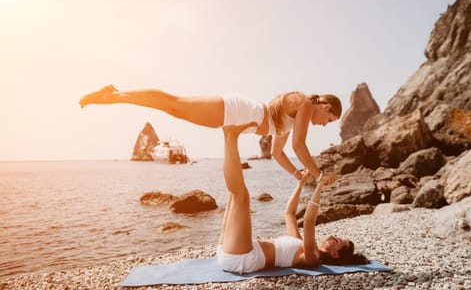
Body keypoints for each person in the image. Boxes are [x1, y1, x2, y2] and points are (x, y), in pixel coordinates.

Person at [79, 85, 341, 182]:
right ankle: (113, 95)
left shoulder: (291, 120)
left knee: (176, 107)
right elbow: (299, 147)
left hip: (236, 115)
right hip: (236, 111)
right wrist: (319, 175)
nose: (324, 125)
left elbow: (278, 152)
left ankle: (114, 95)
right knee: (176, 105)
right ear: (325, 106)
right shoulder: (306, 103)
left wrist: (298, 175)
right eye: (328, 119)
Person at [217, 123, 368, 274]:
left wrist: (320, 185)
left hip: (242, 258)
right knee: (234, 194)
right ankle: (227, 135)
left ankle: (232, 137)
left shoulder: (312, 257)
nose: (331, 236)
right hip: (232, 251)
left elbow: (309, 222)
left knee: (241, 196)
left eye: (336, 240)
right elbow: (289, 213)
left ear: (335, 254)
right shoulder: (300, 244)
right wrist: (301, 184)